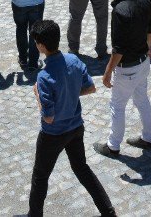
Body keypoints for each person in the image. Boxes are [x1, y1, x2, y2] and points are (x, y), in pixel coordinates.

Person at [28, 19, 116, 217]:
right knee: (82, 168)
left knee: (40, 176)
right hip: (76, 128)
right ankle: (108, 211)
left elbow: (49, 118)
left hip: (53, 134)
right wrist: (70, 93)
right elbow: (91, 88)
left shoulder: (43, 77)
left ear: (41, 46)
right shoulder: (74, 61)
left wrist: (37, 95)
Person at [94, 0, 151, 158]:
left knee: (117, 106)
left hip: (127, 69)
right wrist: (148, 49)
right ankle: (149, 138)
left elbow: (118, 49)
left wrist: (107, 71)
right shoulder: (144, 2)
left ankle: (113, 146)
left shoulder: (120, 11)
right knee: (142, 100)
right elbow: (150, 30)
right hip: (143, 62)